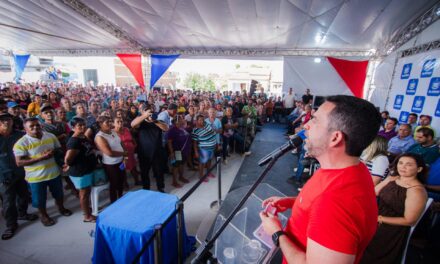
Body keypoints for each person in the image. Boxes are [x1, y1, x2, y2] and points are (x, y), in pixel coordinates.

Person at [260, 95, 381, 264]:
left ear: (335, 138)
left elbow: (329, 209)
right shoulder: (345, 170)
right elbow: (318, 205)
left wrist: (277, 234)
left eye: (315, 120)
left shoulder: (336, 201)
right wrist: (293, 202)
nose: (306, 125)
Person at [360, 153, 428, 263]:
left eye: (409, 165)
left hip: (391, 228)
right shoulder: (393, 179)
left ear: (419, 169)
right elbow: (374, 193)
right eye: (400, 163)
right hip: (376, 218)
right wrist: (387, 180)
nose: (403, 167)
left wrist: (379, 218)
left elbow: (409, 220)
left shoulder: (416, 191)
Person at [13, 117, 72, 227]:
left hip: (54, 173)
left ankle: (61, 208)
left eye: (37, 125)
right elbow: (19, 162)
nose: (35, 127)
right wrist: (41, 158)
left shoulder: (50, 136)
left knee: (58, 194)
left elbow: (58, 150)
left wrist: (58, 158)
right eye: (31, 126)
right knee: (39, 199)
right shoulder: (21, 143)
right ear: (25, 129)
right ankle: (44, 215)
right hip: (36, 177)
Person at [0, 113, 37, 240]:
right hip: (4, 176)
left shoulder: (19, 135)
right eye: (2, 120)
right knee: (8, 202)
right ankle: (11, 225)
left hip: (20, 171)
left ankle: (23, 213)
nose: (5, 122)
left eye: (8, 119)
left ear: (12, 121)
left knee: (24, 195)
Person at [64, 117, 97, 223]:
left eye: (84, 125)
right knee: (84, 194)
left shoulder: (82, 137)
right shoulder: (74, 141)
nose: (83, 127)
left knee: (86, 192)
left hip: (86, 169)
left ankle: (86, 209)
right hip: (80, 172)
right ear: (73, 128)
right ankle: (87, 216)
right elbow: (68, 160)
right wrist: (69, 164)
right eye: (79, 126)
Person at [131, 105, 168, 192]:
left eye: (151, 112)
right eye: (147, 112)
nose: (150, 114)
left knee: (159, 171)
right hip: (144, 153)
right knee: (144, 172)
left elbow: (166, 128)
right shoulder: (141, 122)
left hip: (157, 152)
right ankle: (146, 189)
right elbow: (132, 124)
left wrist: (155, 121)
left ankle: (160, 188)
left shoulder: (158, 121)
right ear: (143, 112)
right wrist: (144, 116)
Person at [94, 116, 126, 202]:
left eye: (110, 121)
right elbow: (109, 153)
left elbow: (120, 142)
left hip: (121, 161)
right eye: (107, 122)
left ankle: (121, 197)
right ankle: (114, 202)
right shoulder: (99, 137)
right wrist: (124, 153)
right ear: (100, 124)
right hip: (111, 165)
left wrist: (124, 156)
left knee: (121, 181)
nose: (110, 123)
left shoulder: (112, 131)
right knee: (114, 183)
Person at [113, 116, 141, 186]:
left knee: (133, 167)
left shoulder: (126, 129)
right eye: (118, 122)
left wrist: (135, 144)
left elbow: (132, 138)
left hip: (130, 152)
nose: (120, 123)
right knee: (122, 168)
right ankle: (125, 184)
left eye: (121, 121)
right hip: (121, 153)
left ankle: (137, 181)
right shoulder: (113, 133)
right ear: (114, 124)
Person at [167, 115, 191, 188]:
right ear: (176, 121)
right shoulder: (172, 130)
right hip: (177, 151)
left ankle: (181, 177)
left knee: (182, 164)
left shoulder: (182, 128)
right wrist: (171, 153)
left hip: (184, 151)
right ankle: (174, 182)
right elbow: (169, 142)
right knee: (176, 166)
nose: (183, 120)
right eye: (181, 119)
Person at [192, 115, 217, 182]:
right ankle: (201, 176)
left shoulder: (206, 124)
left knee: (209, 160)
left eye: (203, 120)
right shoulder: (195, 130)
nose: (202, 121)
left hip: (212, 147)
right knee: (202, 163)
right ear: (196, 121)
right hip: (204, 149)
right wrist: (196, 152)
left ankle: (208, 172)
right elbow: (194, 143)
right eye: (200, 120)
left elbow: (212, 131)